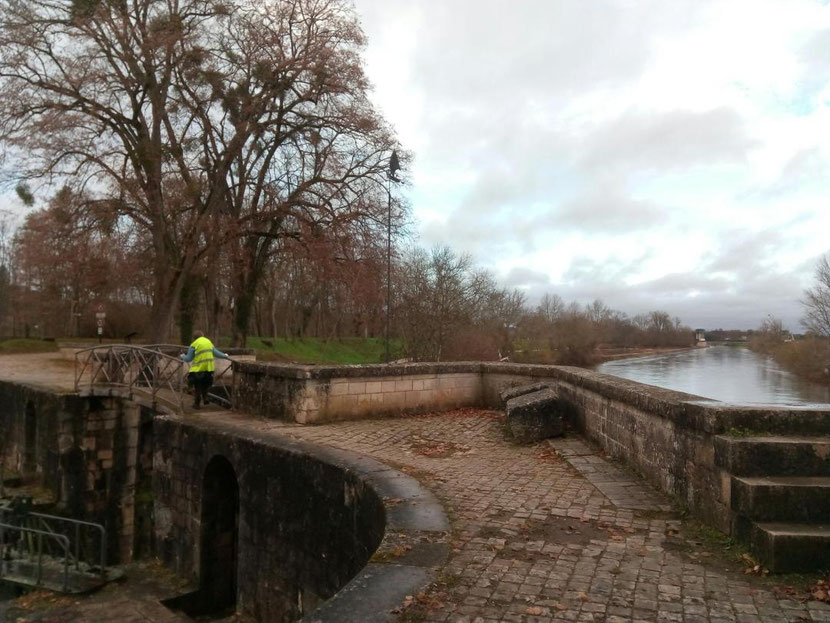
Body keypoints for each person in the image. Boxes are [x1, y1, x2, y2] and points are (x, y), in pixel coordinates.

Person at [180, 330, 231, 409]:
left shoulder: (194, 344)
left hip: (198, 369)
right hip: (209, 369)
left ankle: (197, 403)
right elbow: (216, 353)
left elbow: (188, 358)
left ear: (194, 338)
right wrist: (225, 356)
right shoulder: (208, 342)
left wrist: (182, 356)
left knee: (196, 385)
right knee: (205, 384)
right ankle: (205, 397)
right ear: (203, 336)